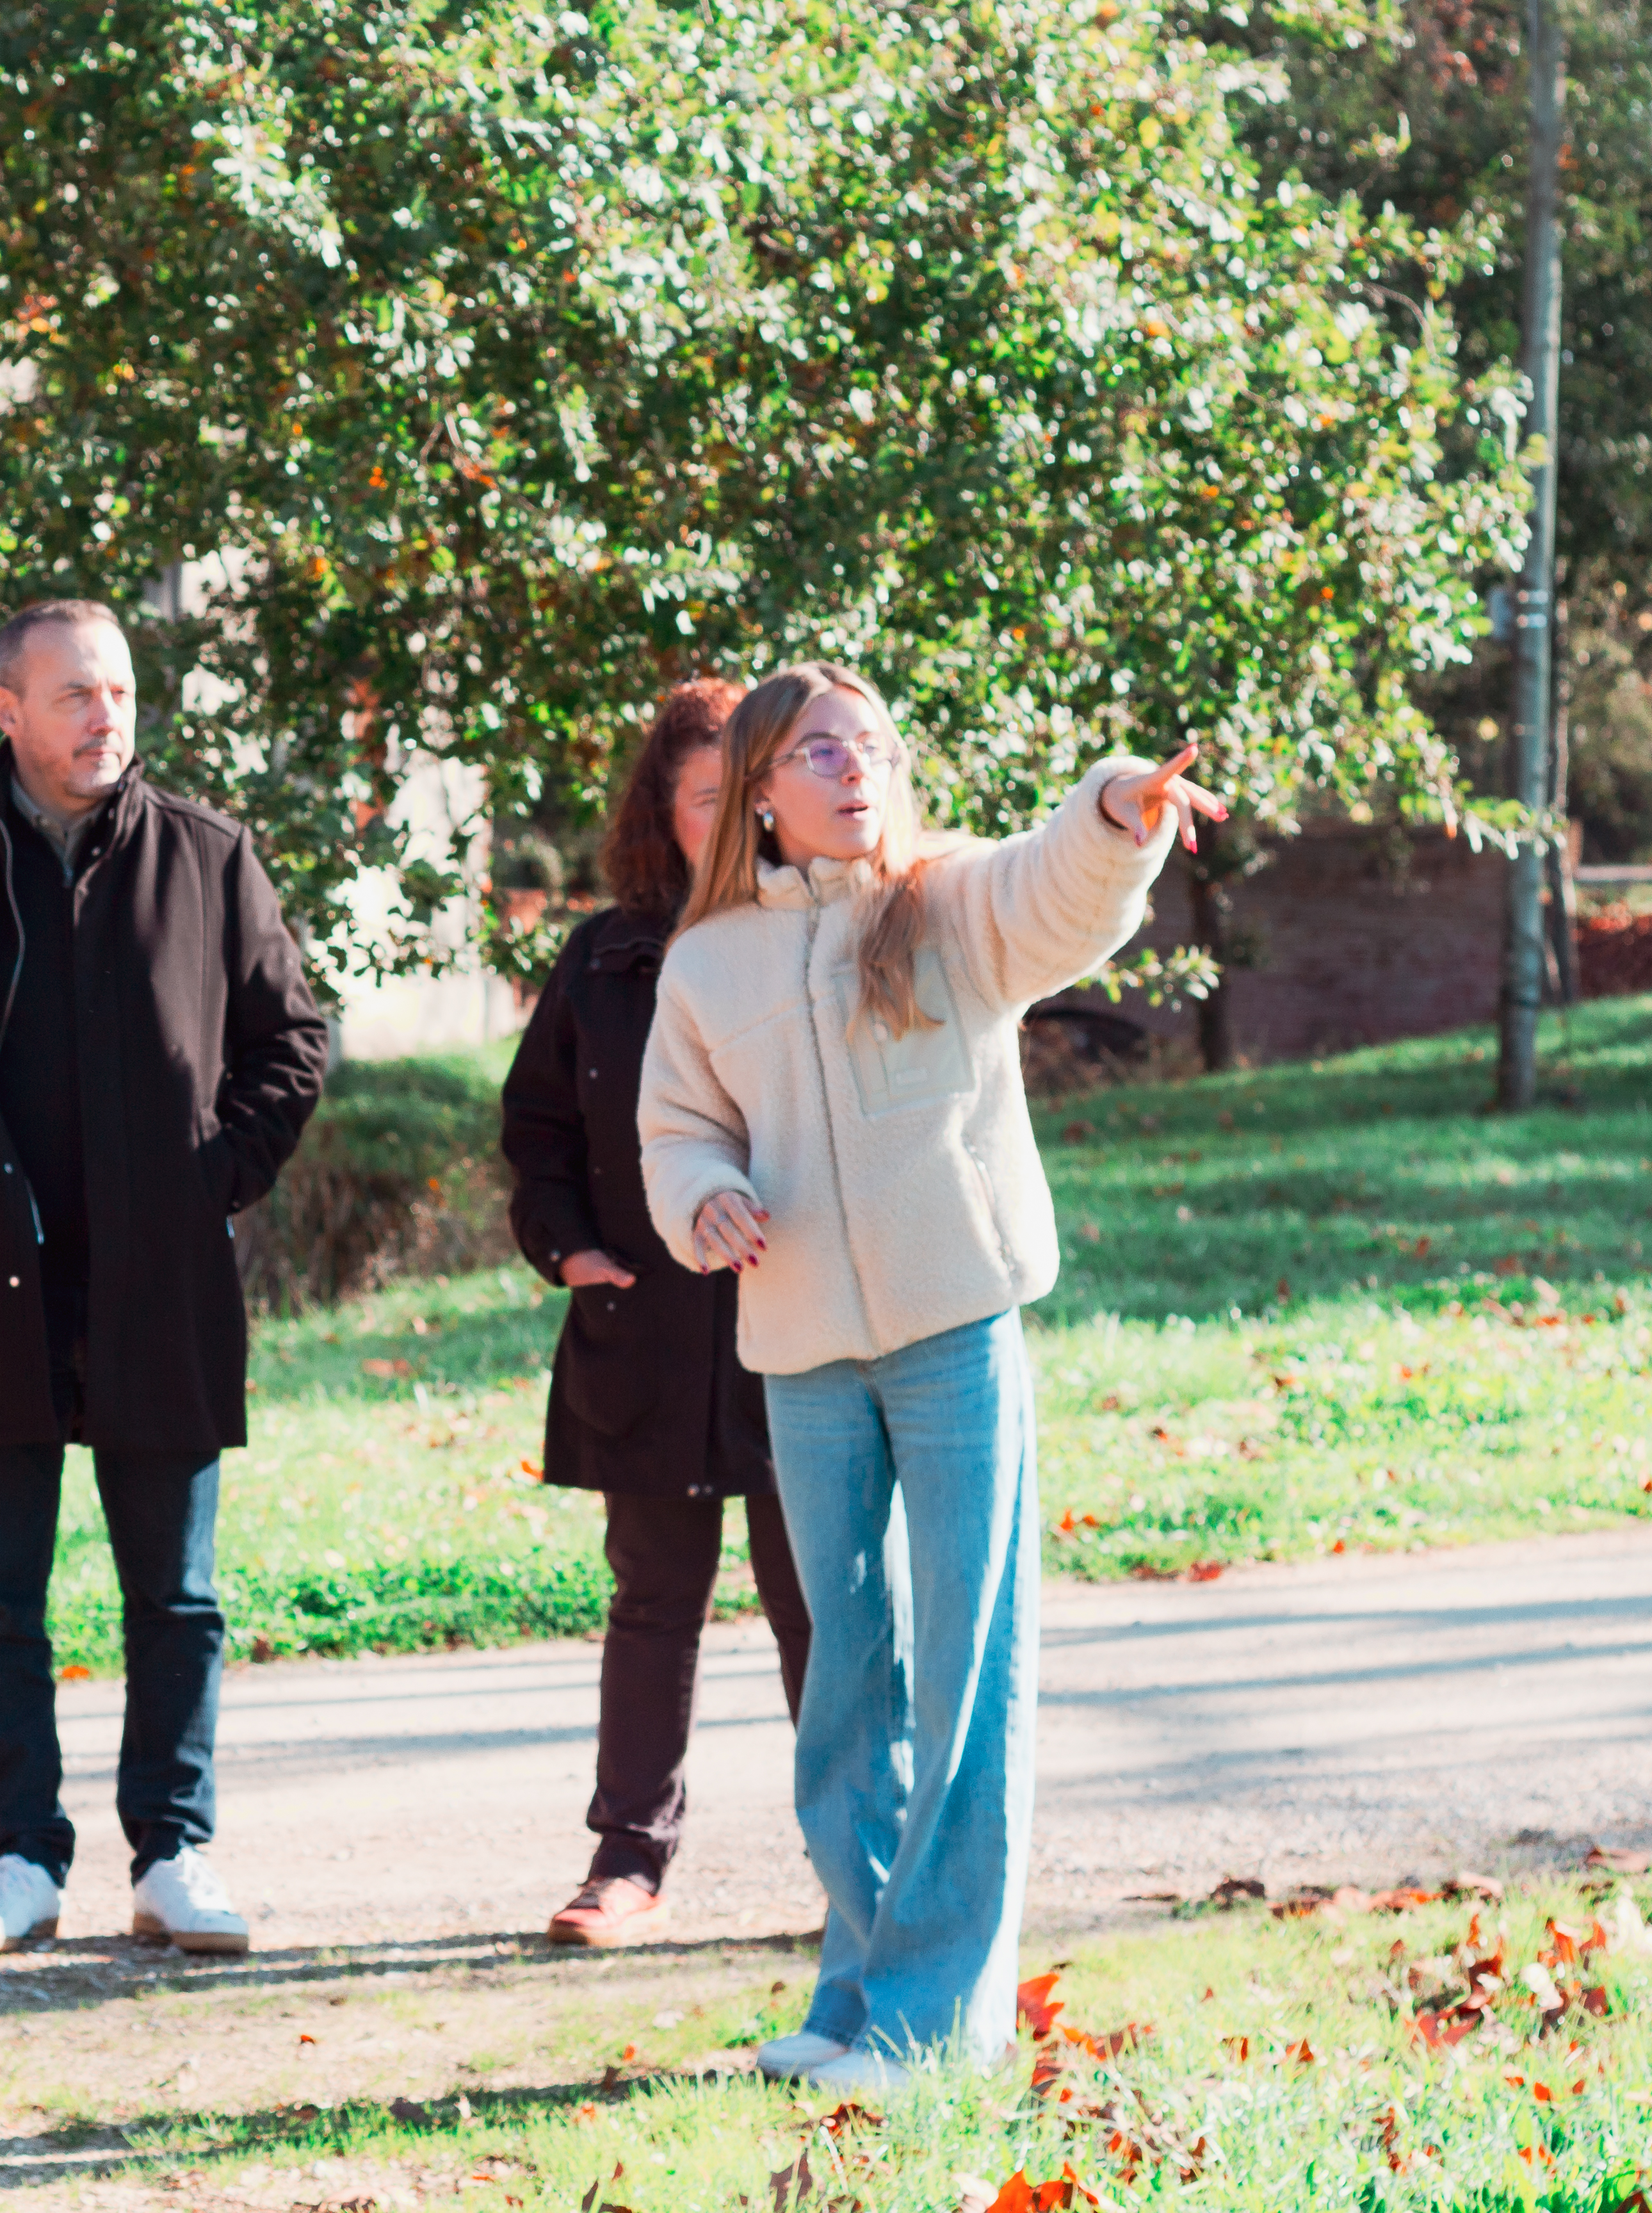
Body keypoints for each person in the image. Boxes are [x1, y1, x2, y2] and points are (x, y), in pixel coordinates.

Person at [638, 663, 1220, 2089]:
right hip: (804, 1360)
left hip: (958, 1334)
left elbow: (1057, 892)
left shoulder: (946, 902)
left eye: (874, 746)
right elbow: (677, 1130)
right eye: (819, 751)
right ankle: (856, 1995)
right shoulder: (707, 962)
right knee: (849, 1679)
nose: (854, 769)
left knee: (969, 1668)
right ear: (761, 792)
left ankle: (935, 2025)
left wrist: (1115, 809)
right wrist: (701, 1195)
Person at [0, 597, 329, 1959]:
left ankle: (174, 1852)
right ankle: (20, 1857)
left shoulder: (210, 860)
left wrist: (213, 1177)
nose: (106, 717)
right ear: (6, 707)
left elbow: (294, 1040)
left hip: (165, 1291)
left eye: (120, 692)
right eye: (76, 695)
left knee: (179, 1597)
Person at [498, 678, 811, 1950]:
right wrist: (569, 1251)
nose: (729, 818)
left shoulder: (821, 933)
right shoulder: (606, 954)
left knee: (821, 1600)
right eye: (703, 798)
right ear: (664, 812)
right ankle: (628, 1858)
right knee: (652, 1599)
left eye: (747, 793)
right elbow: (538, 1129)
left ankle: (864, 1863)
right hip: (643, 1327)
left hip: (797, 1321)